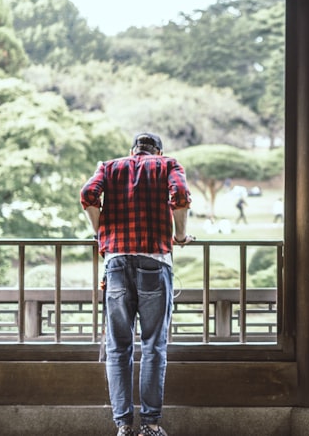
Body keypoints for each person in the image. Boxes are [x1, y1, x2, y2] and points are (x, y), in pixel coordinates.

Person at [80, 132, 194, 436]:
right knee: (154, 346)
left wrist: (99, 230)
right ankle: (151, 424)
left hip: (116, 262)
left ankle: (123, 426)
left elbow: (88, 194)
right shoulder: (168, 164)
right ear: (157, 151)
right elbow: (180, 195)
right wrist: (180, 237)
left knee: (118, 347)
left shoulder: (109, 167)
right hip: (155, 261)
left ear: (132, 150)